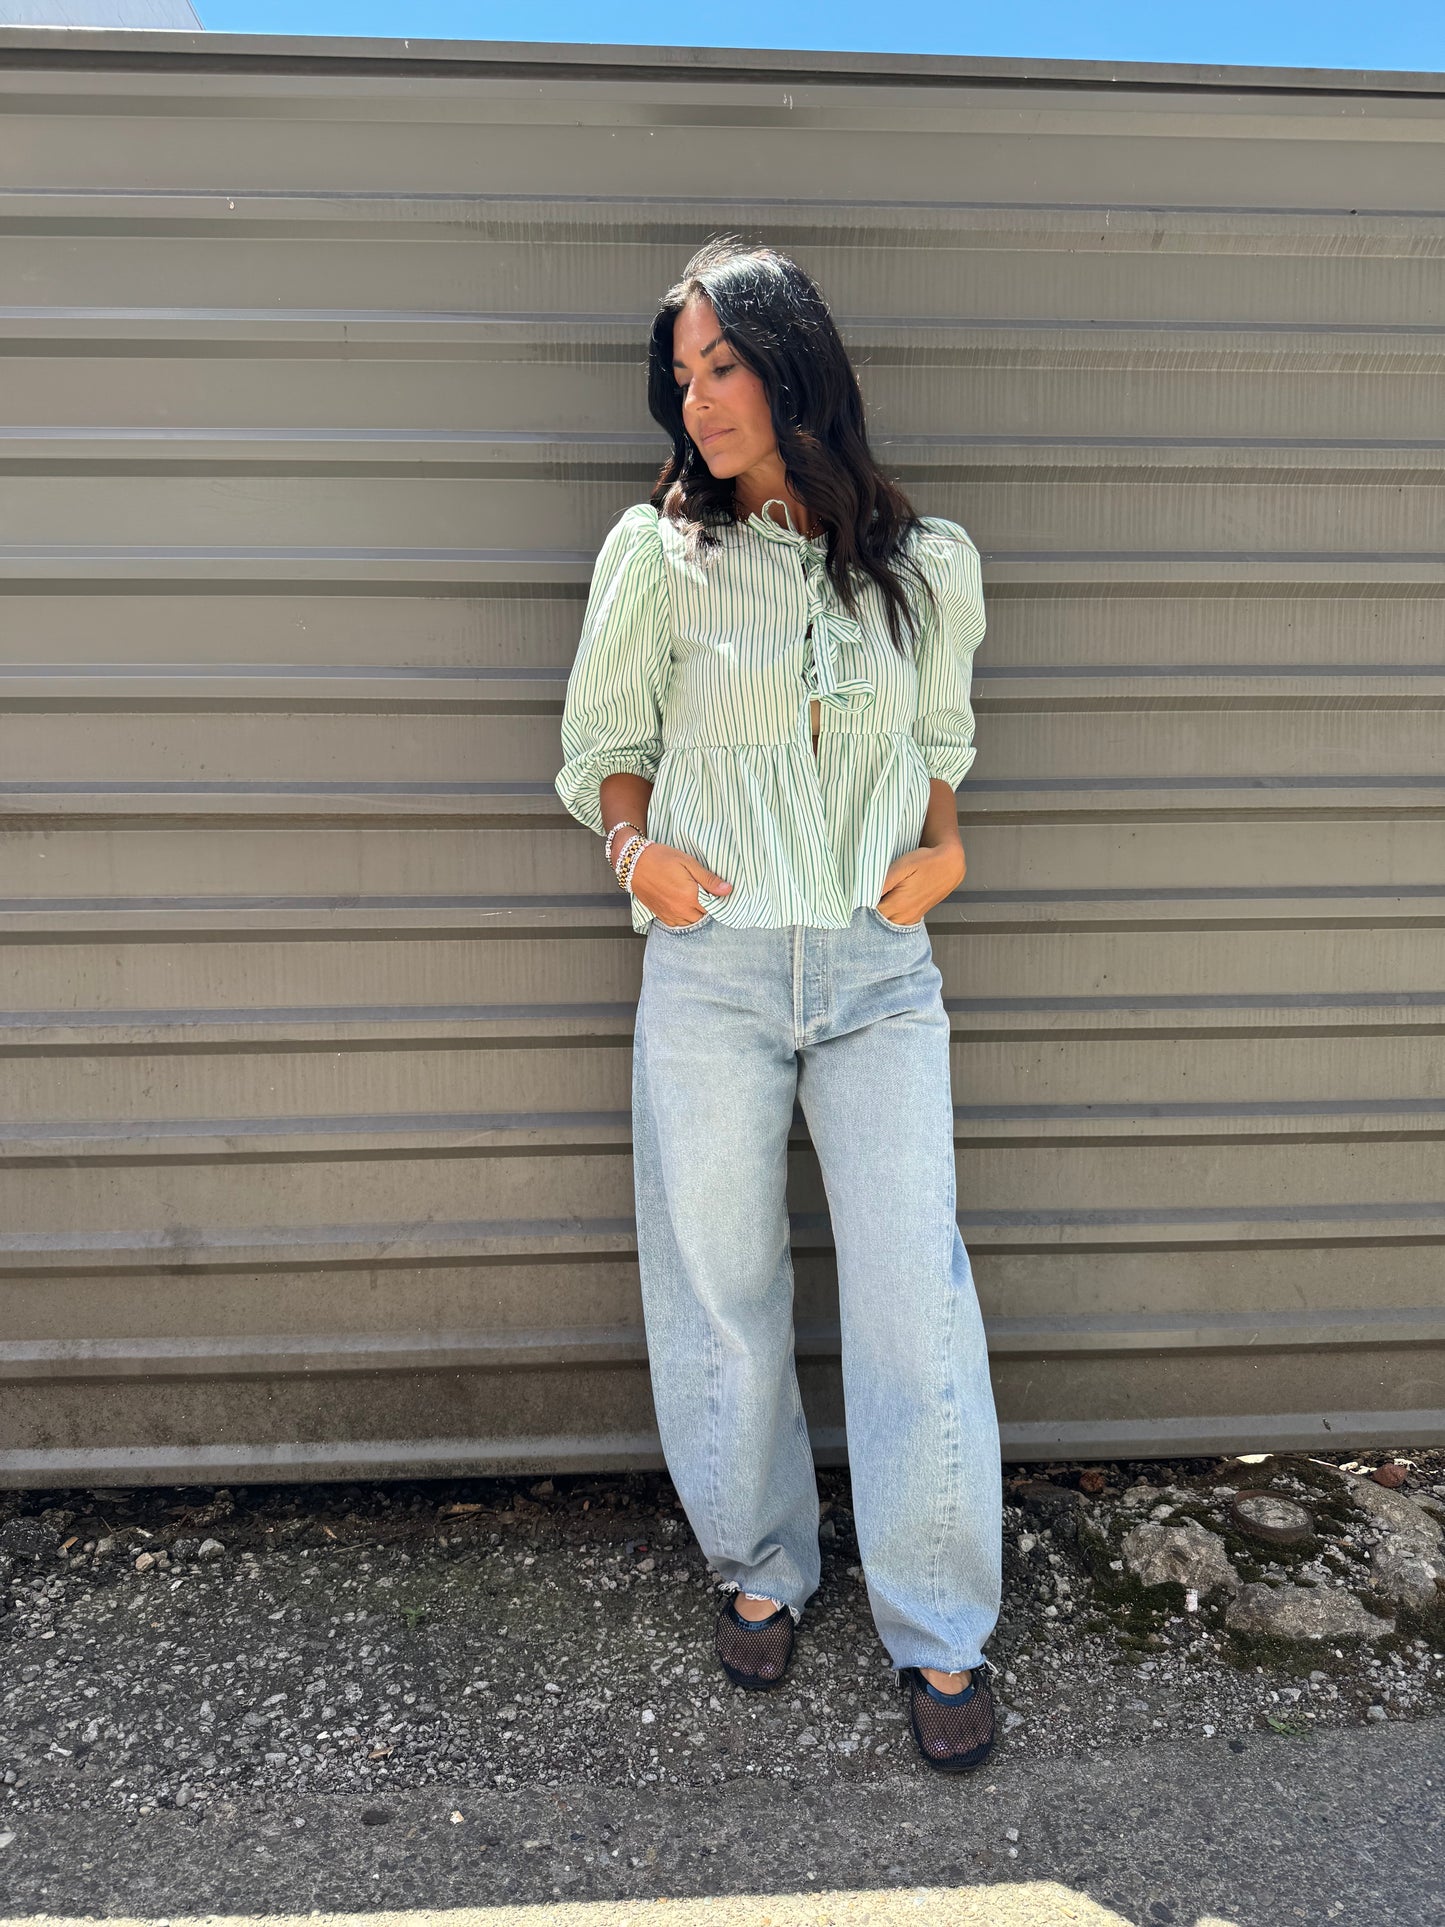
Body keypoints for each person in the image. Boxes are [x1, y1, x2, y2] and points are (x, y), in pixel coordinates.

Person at [554, 237, 1002, 1773]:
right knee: (719, 1288)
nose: (699, 400)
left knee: (909, 1299)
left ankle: (939, 1626)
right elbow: (599, 742)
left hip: (880, 977)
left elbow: (940, 750)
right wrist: (641, 853)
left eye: (723, 363)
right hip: (713, 965)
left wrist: (943, 858)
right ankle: (761, 1563)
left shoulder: (928, 564)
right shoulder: (655, 556)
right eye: (681, 375)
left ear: (792, 363)